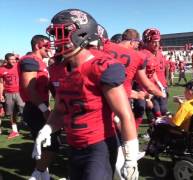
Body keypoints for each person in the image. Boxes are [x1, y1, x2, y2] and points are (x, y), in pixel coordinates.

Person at [33, 9, 139, 180]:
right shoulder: (61, 68)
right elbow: (60, 110)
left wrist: (131, 157)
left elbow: (124, 114)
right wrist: (46, 129)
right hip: (74, 146)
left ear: (81, 34)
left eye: (62, 34)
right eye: (55, 35)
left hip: (99, 147)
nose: (57, 41)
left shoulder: (100, 66)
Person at [18, 35, 59, 180]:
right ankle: (37, 174)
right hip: (35, 108)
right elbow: (29, 88)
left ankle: (43, 174)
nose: (49, 49)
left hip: (40, 106)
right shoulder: (30, 60)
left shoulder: (41, 62)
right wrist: (44, 109)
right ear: (37, 46)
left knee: (44, 144)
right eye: (46, 46)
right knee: (52, 144)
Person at [0, 53, 25, 139]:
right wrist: (1, 94)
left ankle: (32, 126)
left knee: (24, 109)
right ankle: (15, 131)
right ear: (6, 60)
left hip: (19, 92)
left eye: (14, 59)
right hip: (8, 93)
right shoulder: (2, 69)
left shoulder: (19, 66)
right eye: (11, 59)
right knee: (11, 113)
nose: (14, 60)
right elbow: (1, 83)